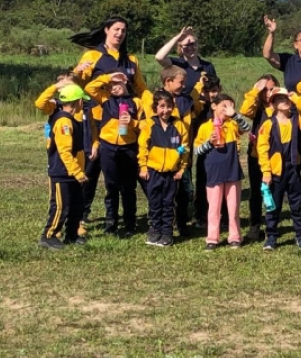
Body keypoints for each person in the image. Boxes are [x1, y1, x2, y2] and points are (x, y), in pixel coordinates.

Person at [71, 17, 148, 226]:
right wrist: (77, 73)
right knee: (91, 169)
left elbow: (141, 88)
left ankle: (139, 213)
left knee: (127, 172)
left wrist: (146, 110)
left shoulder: (131, 59)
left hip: (125, 122)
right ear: (106, 30)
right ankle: (81, 213)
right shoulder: (93, 55)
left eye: (123, 30)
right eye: (116, 29)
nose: (120, 34)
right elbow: (79, 83)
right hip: (97, 120)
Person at [256, 76, 301, 251]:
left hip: (293, 168)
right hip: (275, 171)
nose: (284, 102)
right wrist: (266, 171)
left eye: (286, 99)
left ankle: (300, 235)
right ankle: (271, 236)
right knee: (273, 205)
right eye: (279, 99)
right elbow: (262, 149)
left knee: (297, 204)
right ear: (272, 104)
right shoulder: (268, 124)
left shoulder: (298, 120)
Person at [84, 72, 141, 237]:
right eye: (110, 86)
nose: (113, 88)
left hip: (128, 147)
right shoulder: (106, 99)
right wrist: (108, 77)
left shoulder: (136, 102)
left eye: (116, 84)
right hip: (107, 147)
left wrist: (132, 123)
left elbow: (145, 126)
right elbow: (89, 88)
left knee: (128, 187)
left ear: (125, 82)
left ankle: (130, 223)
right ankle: (111, 224)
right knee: (112, 187)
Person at [194, 94, 252, 250]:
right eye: (224, 106)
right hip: (213, 173)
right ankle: (212, 238)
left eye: (231, 107)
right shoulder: (205, 127)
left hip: (232, 171)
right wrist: (209, 143)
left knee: (233, 207)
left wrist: (235, 115)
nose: (227, 110)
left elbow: (246, 128)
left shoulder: (232, 124)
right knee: (213, 207)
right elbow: (197, 151)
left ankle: (235, 237)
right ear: (214, 106)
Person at [37, 84, 89, 249]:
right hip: (62, 172)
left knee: (76, 205)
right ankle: (49, 235)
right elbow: (64, 151)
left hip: (73, 172)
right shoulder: (64, 122)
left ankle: (72, 234)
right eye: (82, 101)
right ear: (78, 101)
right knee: (61, 206)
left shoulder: (72, 119)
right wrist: (77, 172)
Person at [138, 90, 190, 247]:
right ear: (155, 108)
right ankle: (155, 230)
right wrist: (143, 167)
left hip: (172, 173)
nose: (165, 110)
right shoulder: (149, 125)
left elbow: (185, 148)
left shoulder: (179, 125)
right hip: (153, 171)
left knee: (168, 203)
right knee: (154, 201)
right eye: (161, 106)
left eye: (168, 106)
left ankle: (167, 233)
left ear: (173, 107)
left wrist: (181, 169)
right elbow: (143, 147)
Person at [239, 74, 281, 242]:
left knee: (275, 191)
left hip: (276, 156)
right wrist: (254, 91)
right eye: (265, 90)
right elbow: (244, 111)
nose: (268, 93)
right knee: (256, 192)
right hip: (256, 155)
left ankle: (273, 225)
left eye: (271, 89)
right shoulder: (257, 108)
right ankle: (255, 225)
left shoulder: (281, 107)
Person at [192, 75, 222, 229]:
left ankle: (222, 216)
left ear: (220, 90)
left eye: (214, 91)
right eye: (207, 91)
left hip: (222, 153)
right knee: (202, 183)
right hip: (204, 152)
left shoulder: (224, 107)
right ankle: (201, 215)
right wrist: (199, 86)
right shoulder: (199, 107)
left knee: (222, 184)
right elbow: (190, 100)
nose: (211, 95)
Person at [155, 26, 217, 93]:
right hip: (182, 103)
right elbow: (159, 57)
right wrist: (177, 37)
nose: (190, 48)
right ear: (180, 47)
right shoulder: (176, 64)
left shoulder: (208, 66)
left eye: (192, 44)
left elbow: (214, 89)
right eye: (186, 45)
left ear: (197, 44)